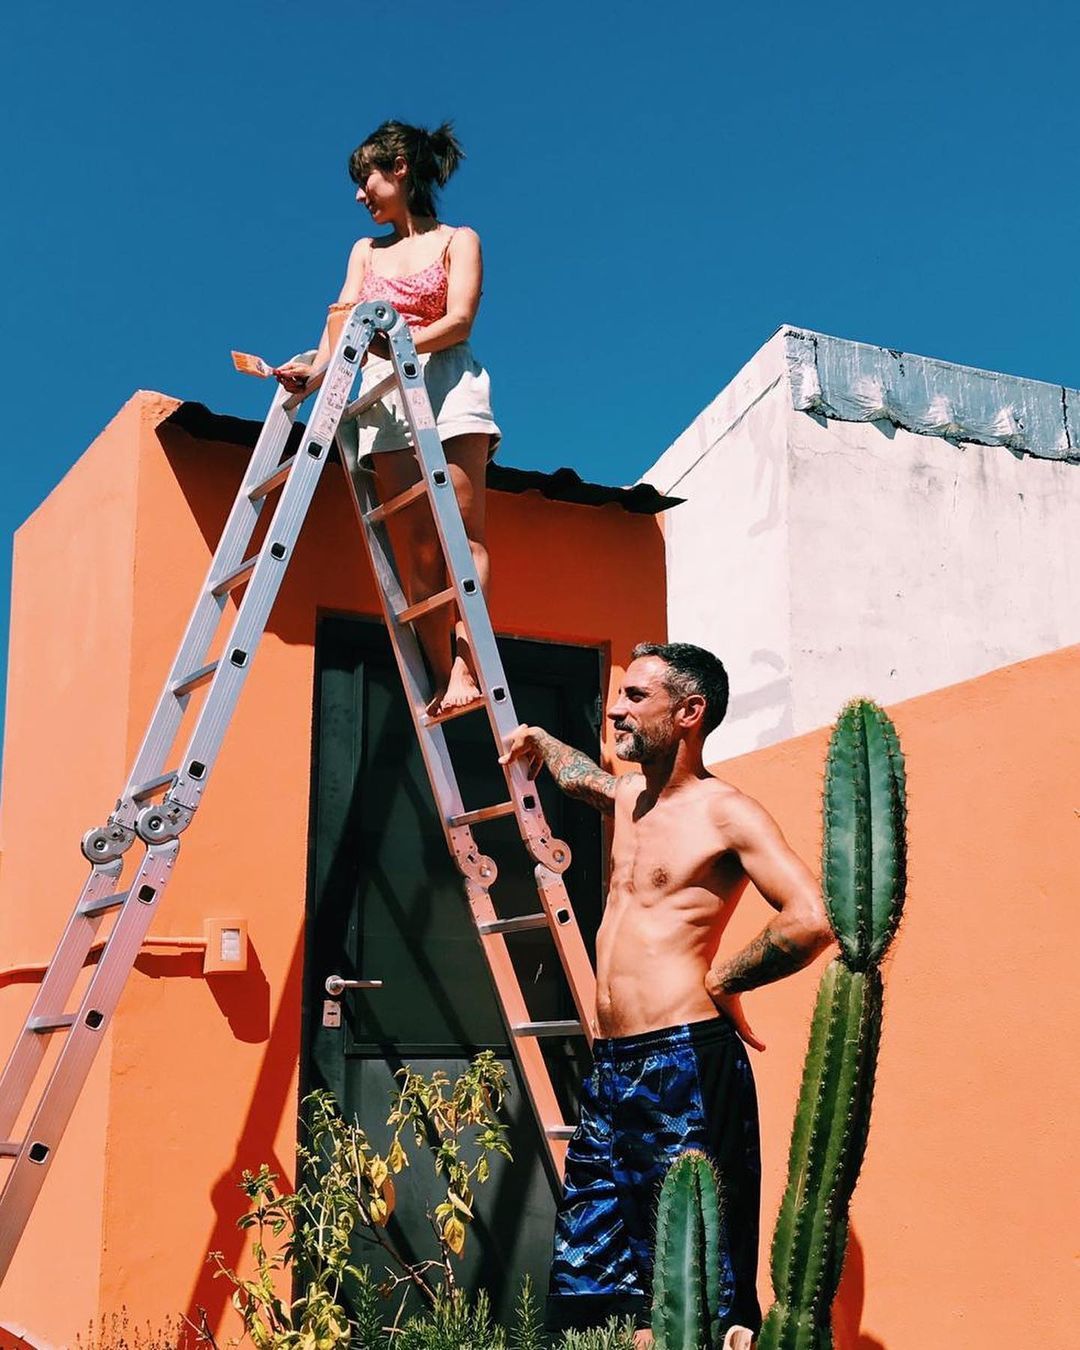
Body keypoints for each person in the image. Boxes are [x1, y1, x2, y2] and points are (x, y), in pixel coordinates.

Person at [499, 642, 833, 1346]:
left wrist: (724, 980)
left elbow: (811, 916)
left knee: (697, 1281)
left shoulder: (727, 813)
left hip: (683, 1063)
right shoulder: (630, 799)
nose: (616, 709)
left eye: (636, 697)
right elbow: (584, 778)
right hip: (611, 1068)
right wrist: (542, 743)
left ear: (689, 712)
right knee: (595, 1277)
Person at [276, 120, 500, 715]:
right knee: (421, 548)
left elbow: (459, 322)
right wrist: (313, 373)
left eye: (366, 179)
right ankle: (442, 675)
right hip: (385, 401)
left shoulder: (459, 240)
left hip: (448, 390)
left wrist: (394, 347)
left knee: (463, 535)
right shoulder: (364, 252)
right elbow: (341, 326)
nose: (359, 195)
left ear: (399, 168)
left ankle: (467, 666)